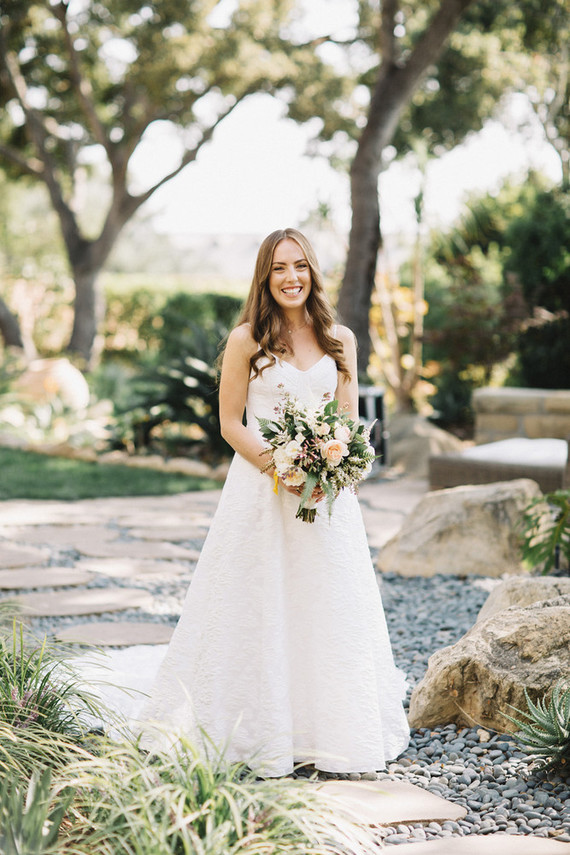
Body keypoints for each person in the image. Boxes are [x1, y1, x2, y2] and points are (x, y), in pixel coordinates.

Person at [138, 228, 409, 776]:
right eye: (280, 267)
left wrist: (337, 466)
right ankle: (254, 728)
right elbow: (230, 423)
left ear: (313, 272)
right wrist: (281, 468)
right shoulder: (246, 340)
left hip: (327, 498)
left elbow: (347, 421)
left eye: (301, 266)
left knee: (325, 603)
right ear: (265, 276)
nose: (292, 277)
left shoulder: (340, 339)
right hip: (261, 495)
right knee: (257, 603)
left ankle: (329, 727)